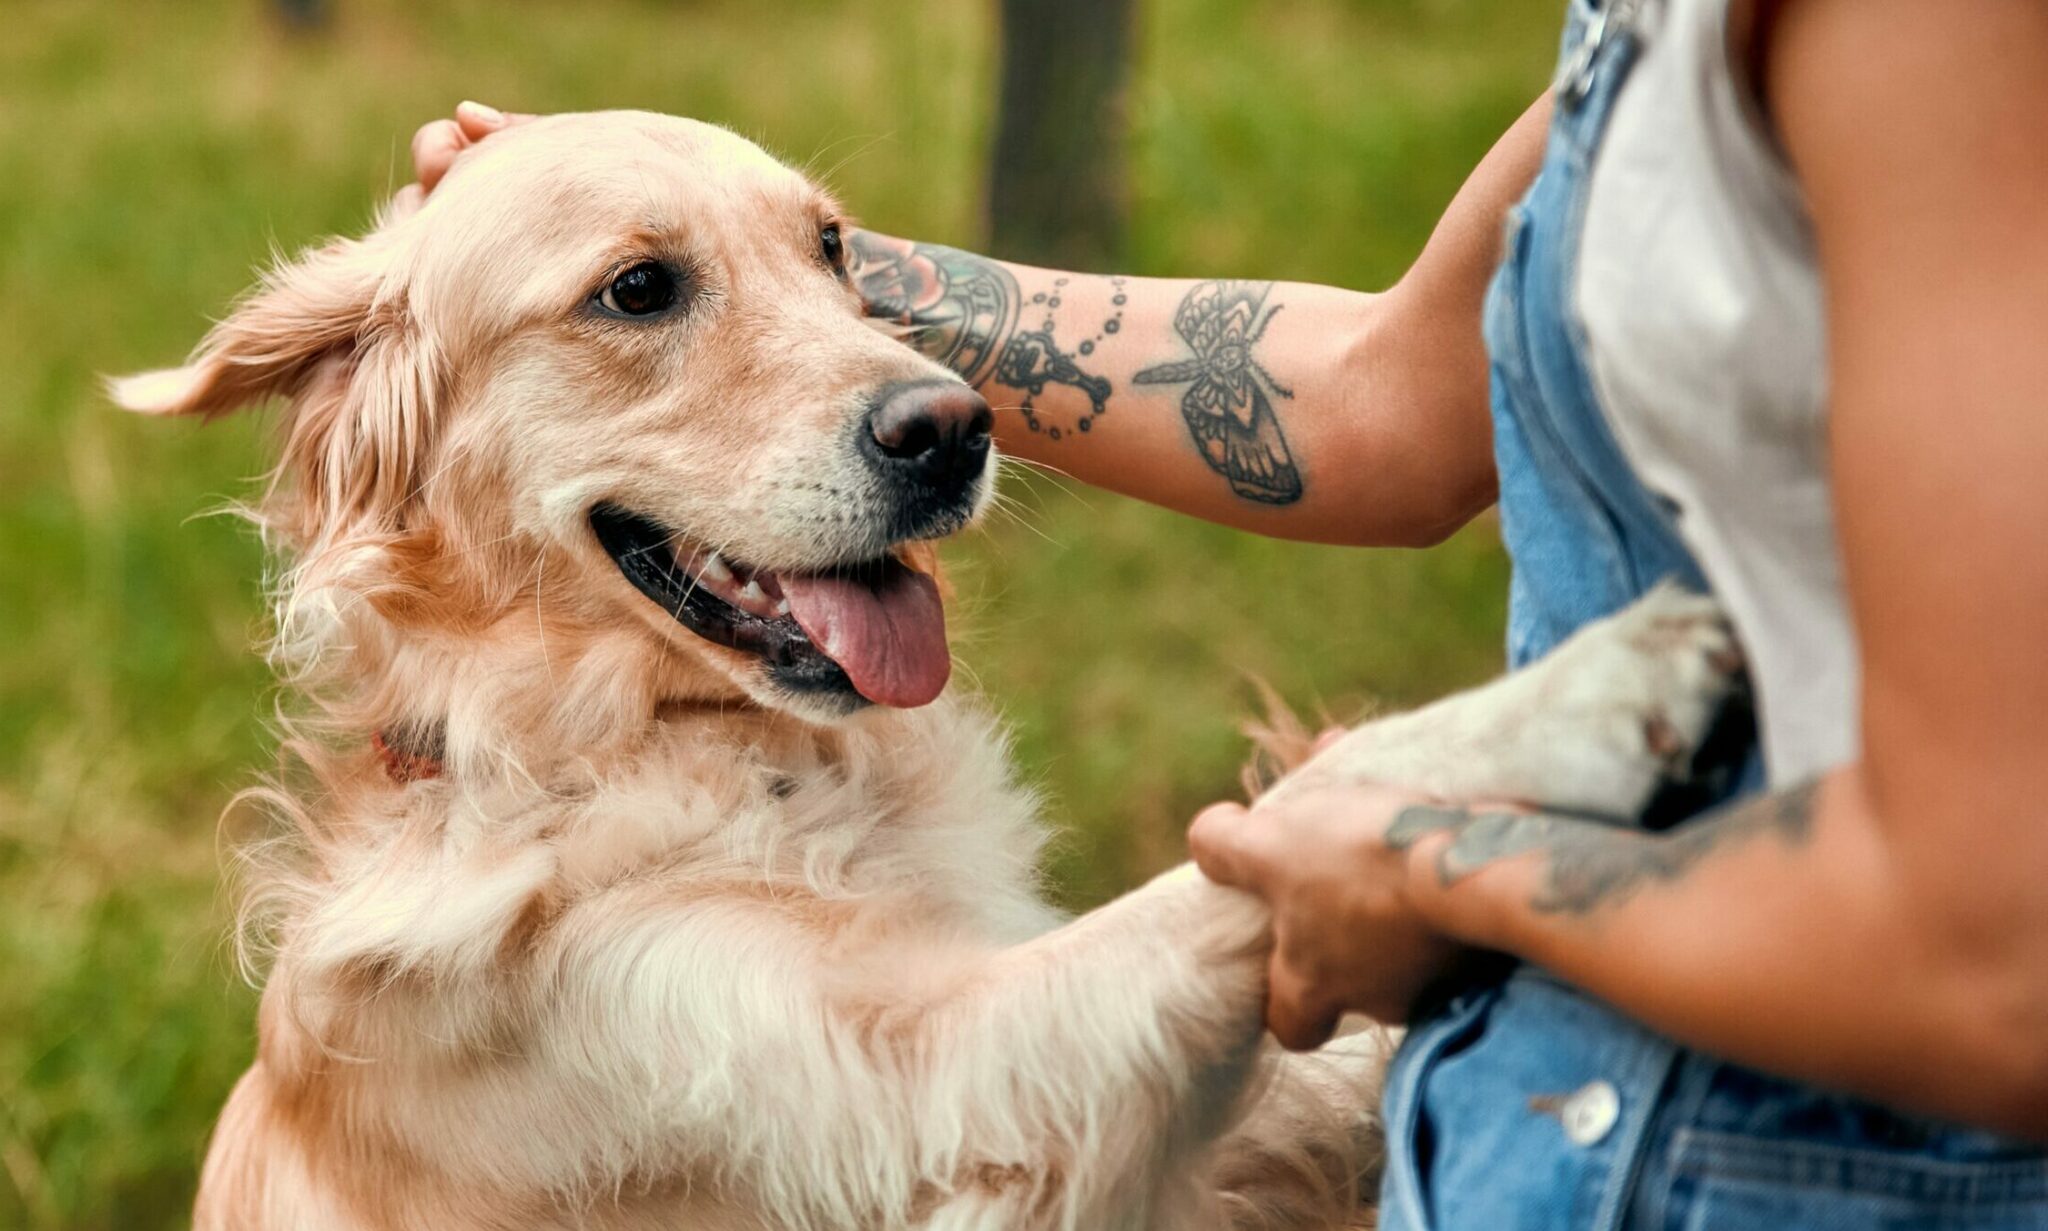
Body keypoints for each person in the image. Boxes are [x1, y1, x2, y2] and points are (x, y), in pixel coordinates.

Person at [409, 0, 2048, 1222]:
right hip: (1556, 1133)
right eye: (639, 296)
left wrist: (1425, 858)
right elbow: (1388, 397)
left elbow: (2005, 961)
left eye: (815, 262)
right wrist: (727, 226)